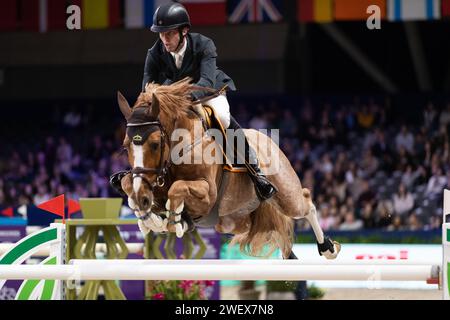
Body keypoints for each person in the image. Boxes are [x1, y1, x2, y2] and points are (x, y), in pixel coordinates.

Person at [110, 2, 276, 201]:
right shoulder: (153, 53)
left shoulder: (204, 45)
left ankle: (255, 171)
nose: (164, 39)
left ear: (184, 31)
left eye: (169, 33)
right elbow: (148, 87)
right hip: (172, 100)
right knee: (150, 128)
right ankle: (141, 173)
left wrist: (179, 99)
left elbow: (205, 81)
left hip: (208, 93)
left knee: (222, 117)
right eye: (161, 34)